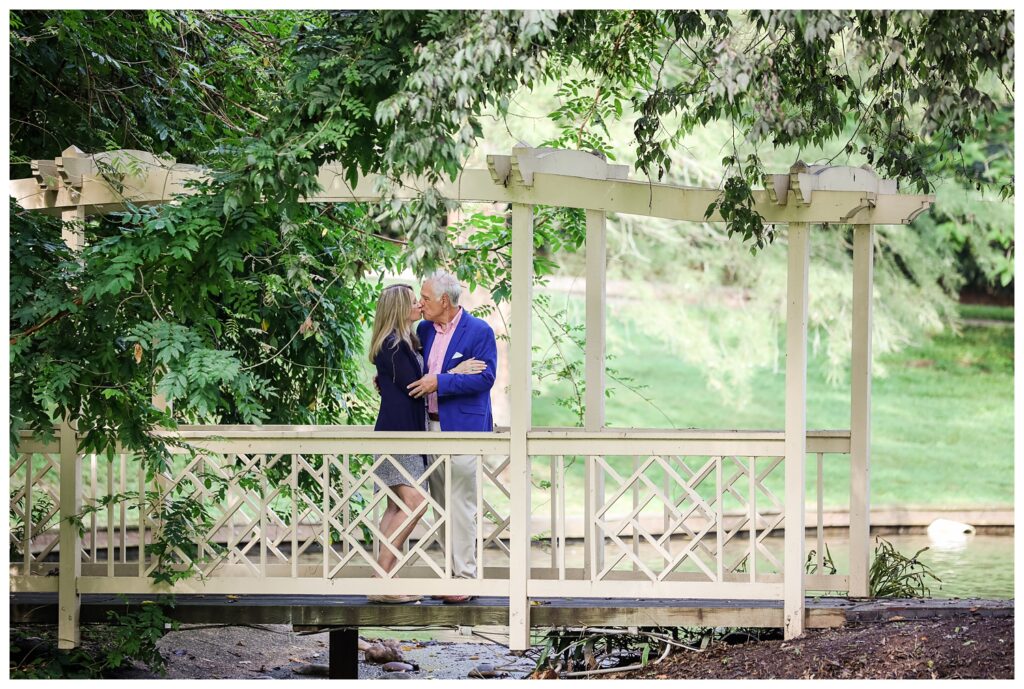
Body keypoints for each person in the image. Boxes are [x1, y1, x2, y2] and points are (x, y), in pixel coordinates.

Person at [365, 283, 483, 604]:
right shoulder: (393, 345)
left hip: (405, 433)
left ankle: (384, 577)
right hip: (399, 434)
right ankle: (382, 577)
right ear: (399, 307)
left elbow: (406, 381)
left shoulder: (405, 340)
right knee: (416, 503)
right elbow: (416, 386)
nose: (419, 304)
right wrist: (455, 371)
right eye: (414, 301)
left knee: (396, 506)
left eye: (423, 299)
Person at [407, 271, 497, 603]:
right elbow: (418, 371)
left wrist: (441, 382)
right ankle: (450, 574)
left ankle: (466, 578)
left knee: (462, 503)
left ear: (445, 301)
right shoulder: (424, 329)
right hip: (429, 426)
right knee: (441, 503)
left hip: (464, 430)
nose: (421, 303)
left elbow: (485, 378)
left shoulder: (479, 331)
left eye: (426, 298)